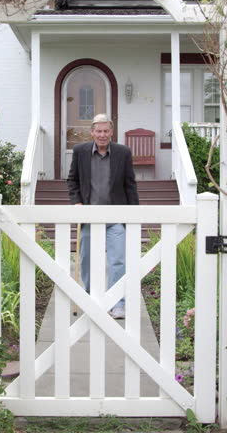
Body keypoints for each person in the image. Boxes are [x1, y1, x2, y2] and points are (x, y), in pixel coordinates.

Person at [67, 114, 139, 319]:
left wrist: (133, 215)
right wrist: (77, 202)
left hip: (115, 216)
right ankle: (90, 298)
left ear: (111, 132)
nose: (102, 135)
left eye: (106, 131)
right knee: (86, 259)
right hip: (89, 217)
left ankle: (117, 303)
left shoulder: (122, 152)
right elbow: (72, 181)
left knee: (118, 261)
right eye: (98, 131)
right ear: (92, 132)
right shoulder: (80, 152)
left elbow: (130, 184)